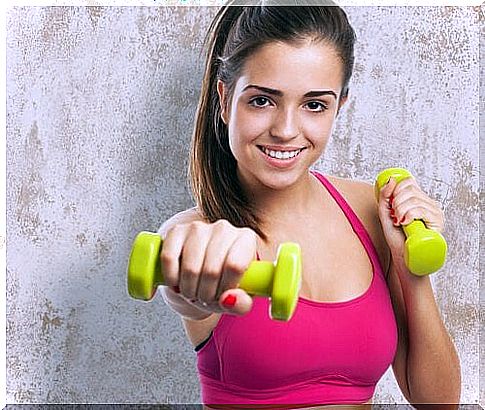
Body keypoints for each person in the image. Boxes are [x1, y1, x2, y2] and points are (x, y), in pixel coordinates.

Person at [158, 4, 461, 408]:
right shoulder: (201, 231)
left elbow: (439, 404)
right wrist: (191, 281)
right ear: (225, 96)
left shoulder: (370, 212)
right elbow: (183, 274)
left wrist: (410, 271)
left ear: (341, 105)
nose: (286, 130)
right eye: (263, 101)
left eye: (314, 105)